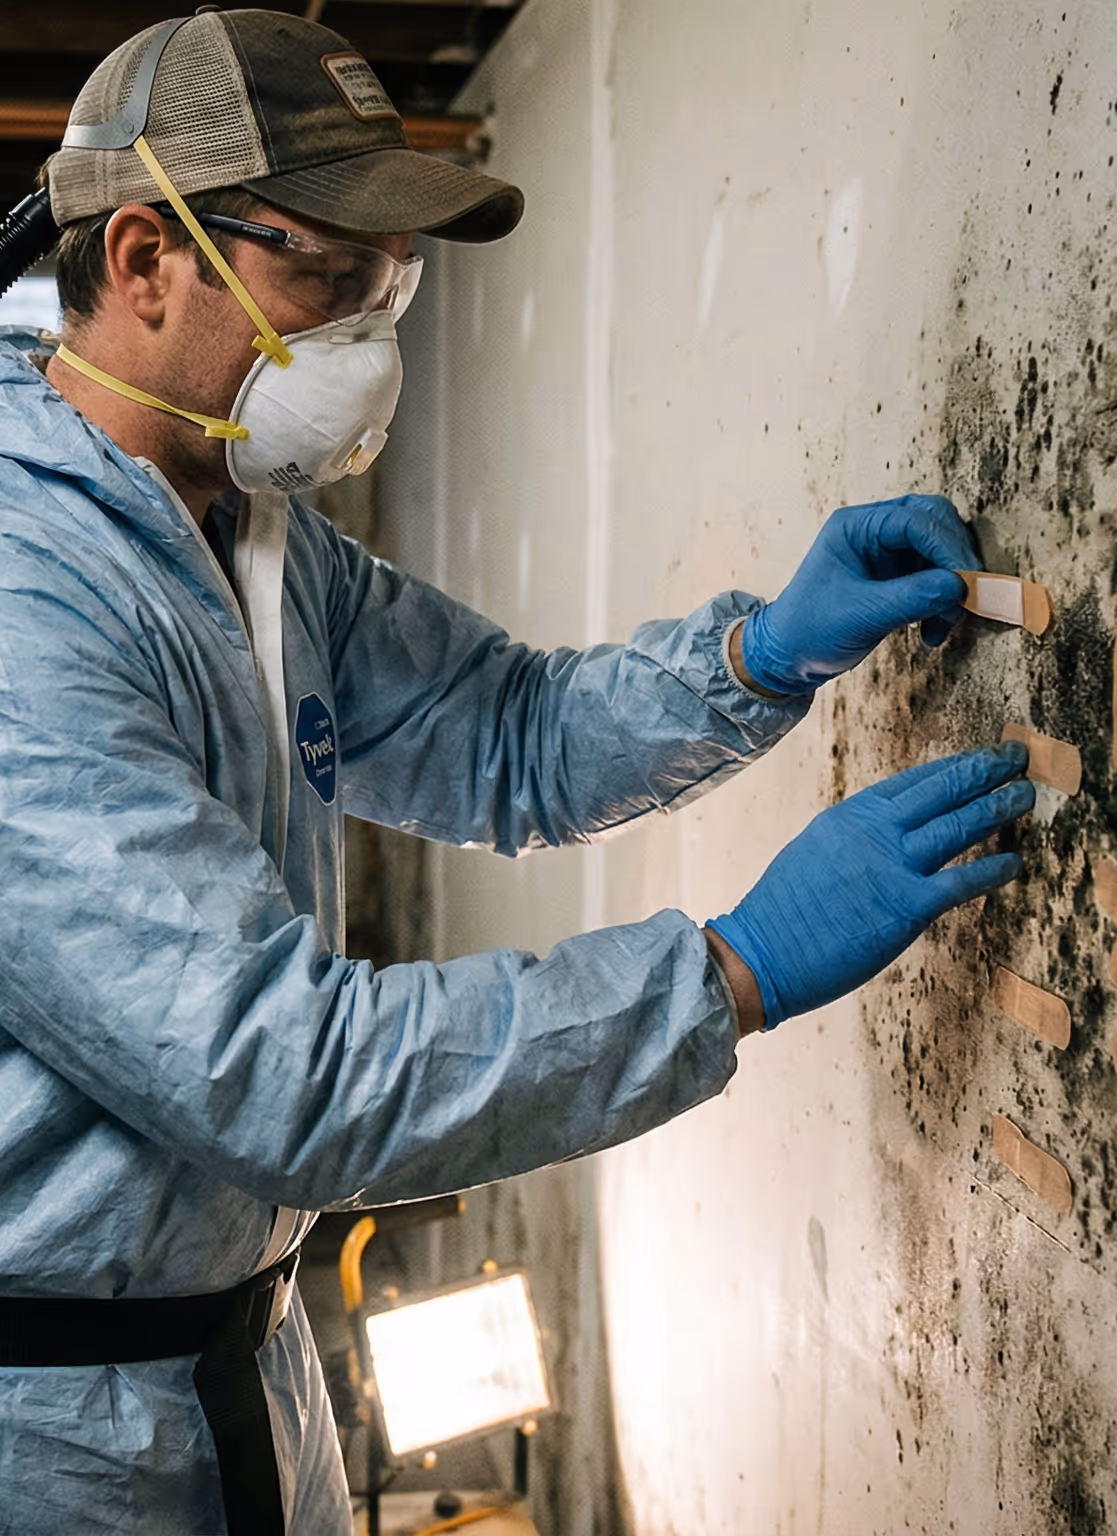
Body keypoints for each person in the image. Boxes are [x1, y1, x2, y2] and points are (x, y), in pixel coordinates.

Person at [0, 10, 1033, 1535]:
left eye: (387, 284)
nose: (364, 330)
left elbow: (507, 735)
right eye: (324, 275)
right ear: (145, 259)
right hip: (57, 1432)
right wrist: (724, 974)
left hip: (243, 1357)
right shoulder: (28, 598)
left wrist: (760, 657)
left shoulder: (251, 528)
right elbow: (282, 1074)